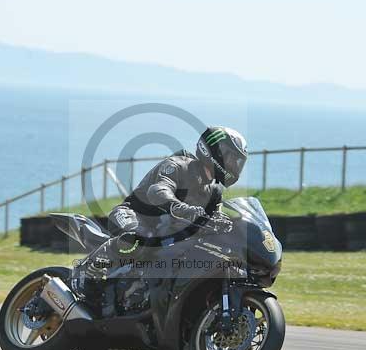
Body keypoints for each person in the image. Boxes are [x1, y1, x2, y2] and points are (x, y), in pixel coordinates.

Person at [82, 127, 249, 311]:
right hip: (134, 215)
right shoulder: (178, 165)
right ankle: (92, 267)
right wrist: (180, 207)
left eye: (237, 161)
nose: (234, 165)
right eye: (231, 158)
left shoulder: (214, 191)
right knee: (139, 238)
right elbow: (159, 190)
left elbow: (215, 215)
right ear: (213, 150)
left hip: (166, 232)